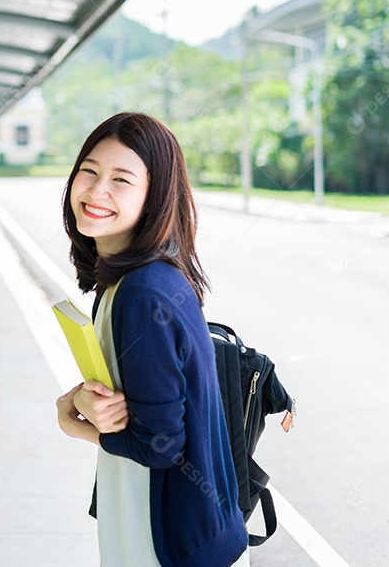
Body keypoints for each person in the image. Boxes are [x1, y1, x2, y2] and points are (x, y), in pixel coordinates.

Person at [54, 112, 248, 567]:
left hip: (164, 543)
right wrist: (84, 398)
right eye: (89, 171)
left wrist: (76, 425)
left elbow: (161, 444)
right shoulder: (138, 278)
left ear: (154, 196)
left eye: (121, 179)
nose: (96, 191)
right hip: (187, 531)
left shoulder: (141, 295)